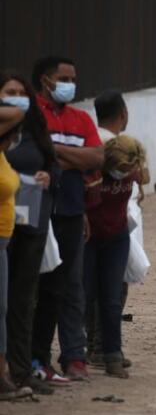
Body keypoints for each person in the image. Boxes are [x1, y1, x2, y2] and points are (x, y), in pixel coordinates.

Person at [32, 56, 104, 381]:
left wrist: (54, 151)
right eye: (64, 78)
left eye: (73, 78)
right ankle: (36, 358)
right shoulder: (29, 113)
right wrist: (71, 157)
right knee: (36, 286)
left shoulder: (82, 119)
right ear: (45, 80)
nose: (70, 85)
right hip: (35, 212)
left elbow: (97, 157)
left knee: (72, 285)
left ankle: (74, 356)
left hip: (72, 212)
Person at [83, 91, 149, 378]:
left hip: (117, 233)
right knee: (87, 293)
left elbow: (144, 176)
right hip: (90, 235)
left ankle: (111, 354)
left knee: (110, 295)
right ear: (123, 112)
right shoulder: (96, 155)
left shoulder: (128, 150)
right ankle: (87, 351)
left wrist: (136, 173)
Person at [2, 72, 59, 394]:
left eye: (22, 93)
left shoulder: (36, 131)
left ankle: (22, 370)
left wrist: (48, 175)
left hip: (31, 221)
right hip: (2, 226)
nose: (17, 97)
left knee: (24, 299)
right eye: (9, 92)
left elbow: (54, 164)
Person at [0, 86, 28, 399]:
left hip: (4, 240)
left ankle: (2, 376)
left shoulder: (3, 155)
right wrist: (9, 106)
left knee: (2, 308)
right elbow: (17, 112)